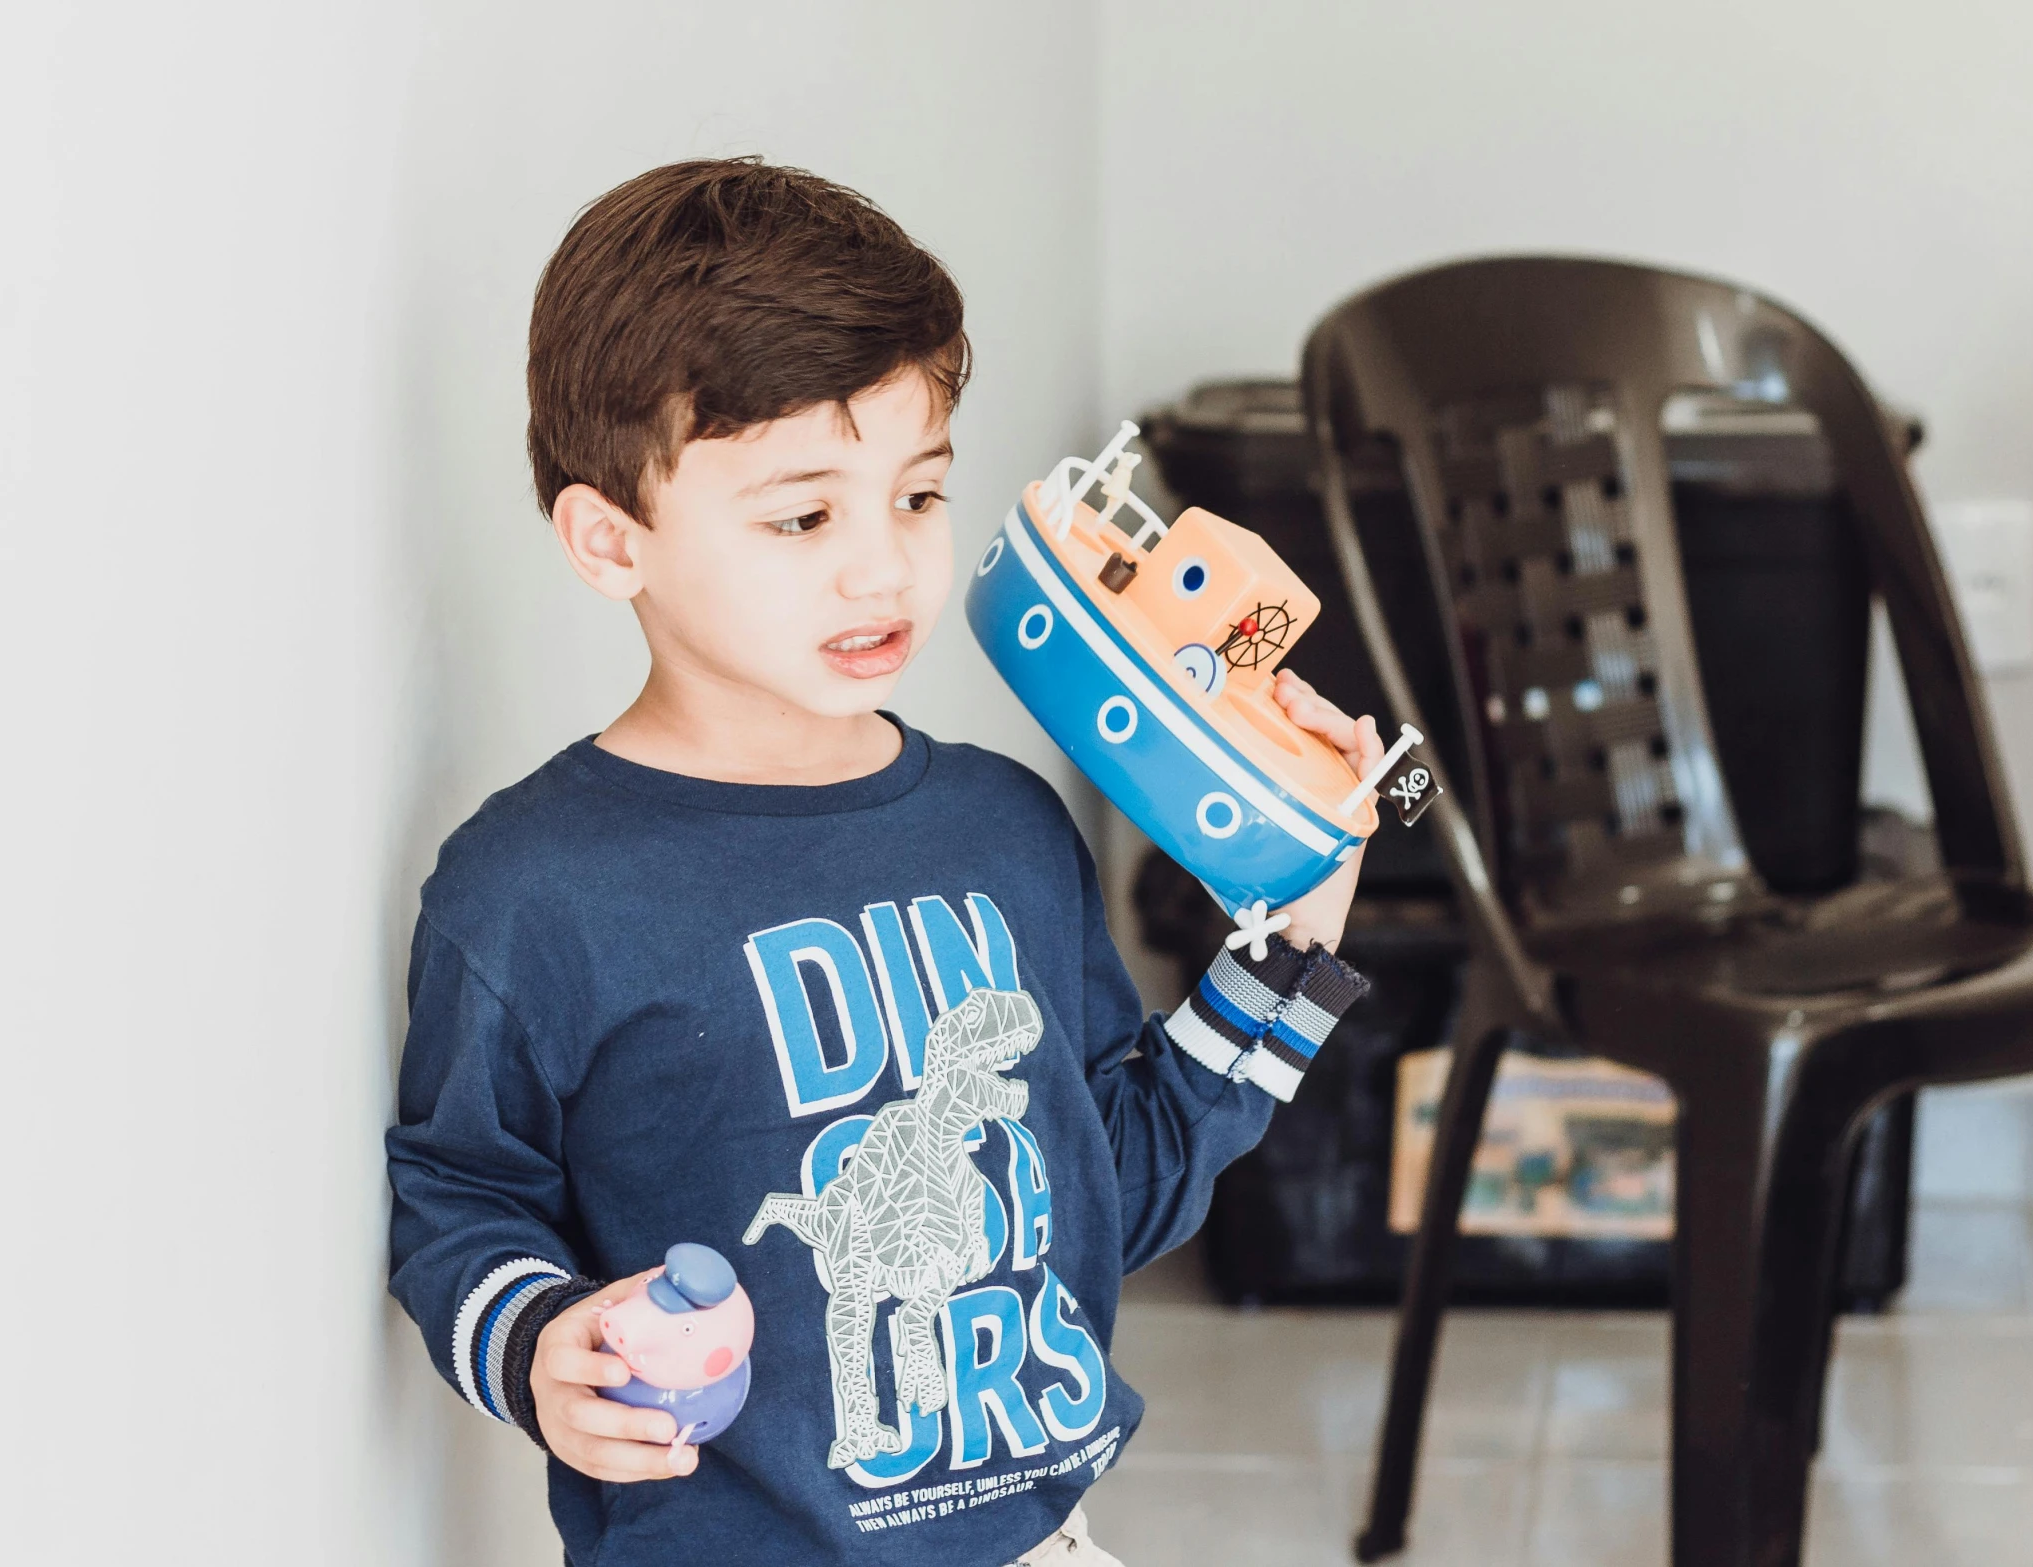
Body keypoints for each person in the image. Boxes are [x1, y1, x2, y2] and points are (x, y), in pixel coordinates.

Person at [385, 158, 1378, 1567]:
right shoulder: (534, 887)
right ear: (612, 540)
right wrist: (543, 1338)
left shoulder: (1007, 826)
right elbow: (457, 1194)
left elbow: (1107, 1192)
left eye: (916, 497)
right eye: (804, 516)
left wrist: (1286, 940)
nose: (883, 568)